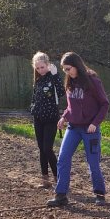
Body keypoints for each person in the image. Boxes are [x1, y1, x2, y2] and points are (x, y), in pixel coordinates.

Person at [47, 52, 109, 207]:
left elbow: (104, 104)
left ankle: (100, 193)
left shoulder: (93, 81)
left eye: (68, 69)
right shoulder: (70, 82)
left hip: (90, 129)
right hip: (73, 127)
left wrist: (95, 123)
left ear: (76, 66)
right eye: (64, 70)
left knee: (93, 162)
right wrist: (64, 117)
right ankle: (61, 194)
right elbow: (71, 106)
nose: (66, 72)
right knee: (63, 158)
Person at [30, 51, 65, 188]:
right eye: (37, 68)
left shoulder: (53, 77)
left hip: (51, 118)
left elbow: (61, 92)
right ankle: (45, 180)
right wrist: (33, 109)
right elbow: (34, 97)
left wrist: (55, 75)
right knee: (41, 149)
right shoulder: (38, 80)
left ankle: (58, 178)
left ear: (48, 65)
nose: (40, 70)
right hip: (38, 118)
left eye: (42, 67)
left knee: (47, 148)